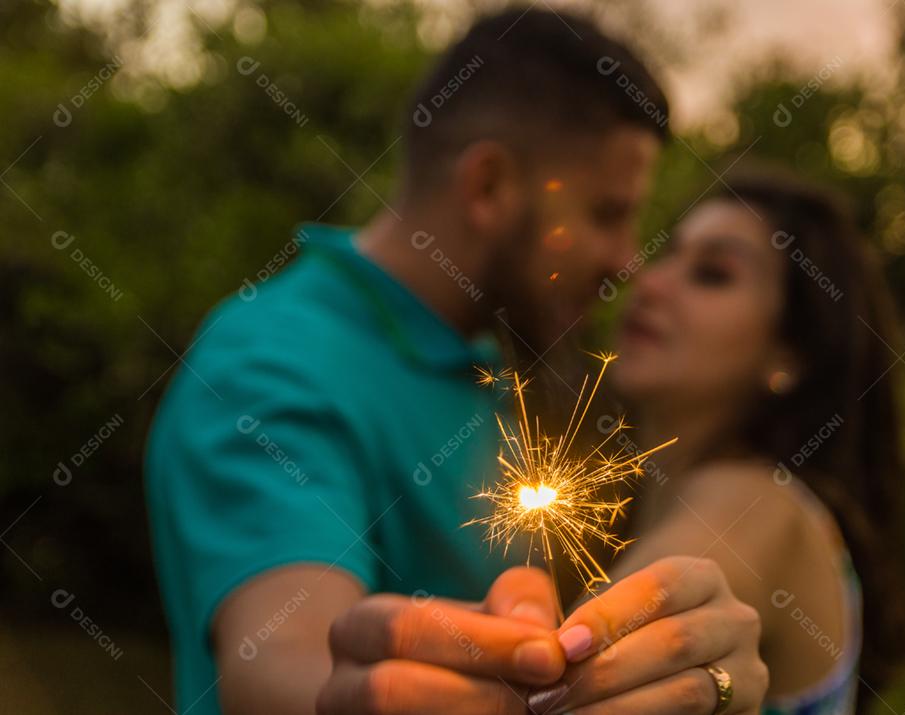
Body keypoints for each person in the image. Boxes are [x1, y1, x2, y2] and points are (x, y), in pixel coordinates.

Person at [145, 8, 767, 715]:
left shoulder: (486, 358)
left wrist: (696, 678)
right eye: (605, 213)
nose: (628, 260)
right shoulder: (269, 360)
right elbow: (282, 663)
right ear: (489, 187)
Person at [536, 169, 905, 714]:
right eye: (668, 256)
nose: (649, 281)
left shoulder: (760, 499)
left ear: (789, 356)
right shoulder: (640, 506)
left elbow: (640, 615)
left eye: (712, 274)